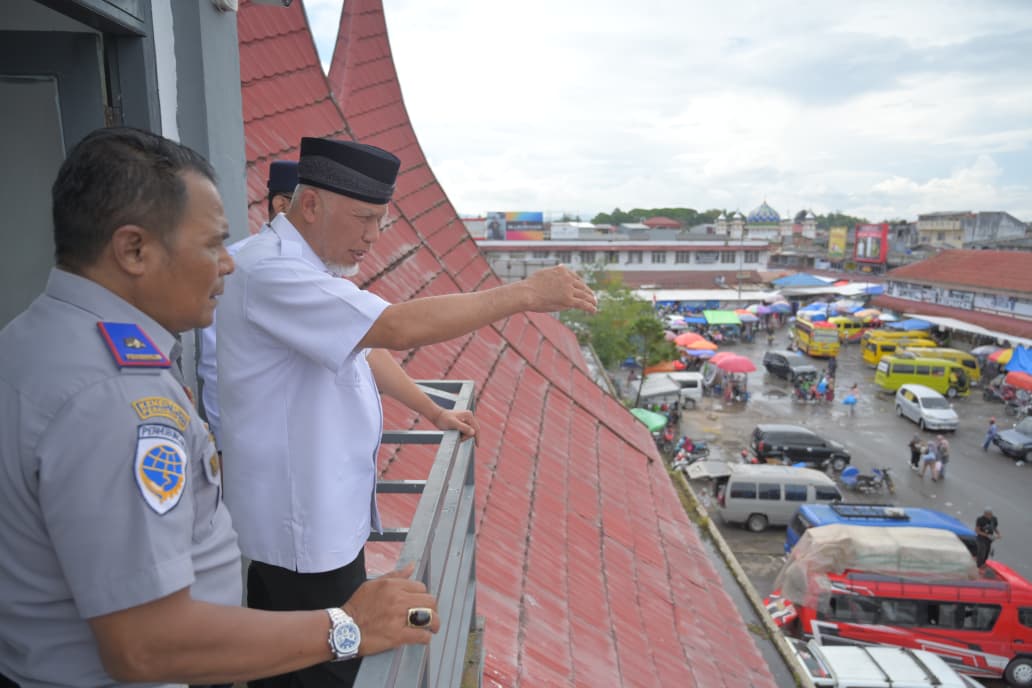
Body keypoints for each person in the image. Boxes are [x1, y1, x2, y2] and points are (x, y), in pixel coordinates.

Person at [0, 128, 441, 688]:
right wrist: (348, 627)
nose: (228, 266)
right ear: (134, 250)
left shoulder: (35, 338)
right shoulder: (115, 399)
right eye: (211, 245)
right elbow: (147, 645)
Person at [216, 136, 597, 688]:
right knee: (319, 669)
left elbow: (365, 350)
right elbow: (395, 326)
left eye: (380, 221)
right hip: (300, 526)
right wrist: (524, 296)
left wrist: (432, 409)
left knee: (317, 658)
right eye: (363, 218)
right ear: (312, 204)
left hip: (323, 518)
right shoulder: (272, 273)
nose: (372, 236)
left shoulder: (310, 267)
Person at [198, 159, 299, 449]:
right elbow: (215, 364)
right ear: (281, 206)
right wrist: (227, 447)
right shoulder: (240, 263)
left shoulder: (310, 266)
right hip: (249, 445)